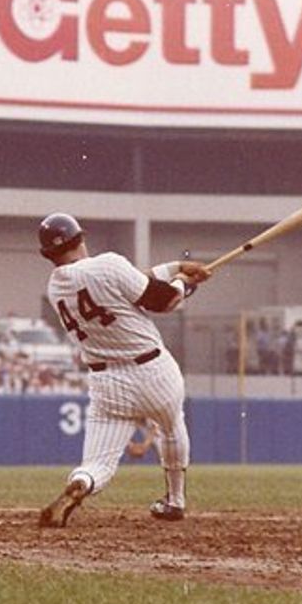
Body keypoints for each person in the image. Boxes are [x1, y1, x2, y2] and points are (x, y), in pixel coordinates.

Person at [35, 213, 211, 527]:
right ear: (80, 238)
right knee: (171, 427)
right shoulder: (109, 265)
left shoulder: (56, 287)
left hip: (107, 383)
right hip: (154, 372)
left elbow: (127, 281)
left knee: (97, 463)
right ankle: (175, 500)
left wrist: (175, 268)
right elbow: (163, 300)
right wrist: (184, 284)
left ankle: (83, 481)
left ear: (48, 253)